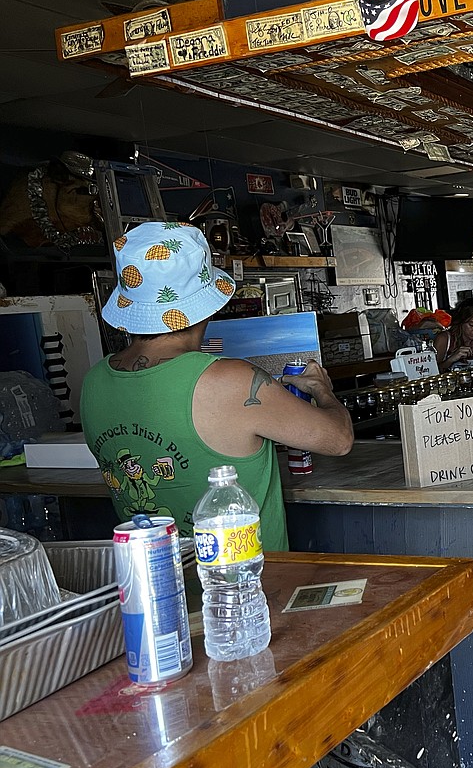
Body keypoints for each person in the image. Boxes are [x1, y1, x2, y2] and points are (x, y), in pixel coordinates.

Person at [80, 221, 353, 551]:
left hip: (154, 584)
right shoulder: (231, 381)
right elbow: (338, 440)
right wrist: (322, 389)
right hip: (246, 589)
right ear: (209, 304)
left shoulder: (94, 381)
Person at [433, 298, 473, 371]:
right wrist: (451, 359)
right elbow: (433, 371)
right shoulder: (444, 340)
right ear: (461, 323)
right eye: (471, 325)